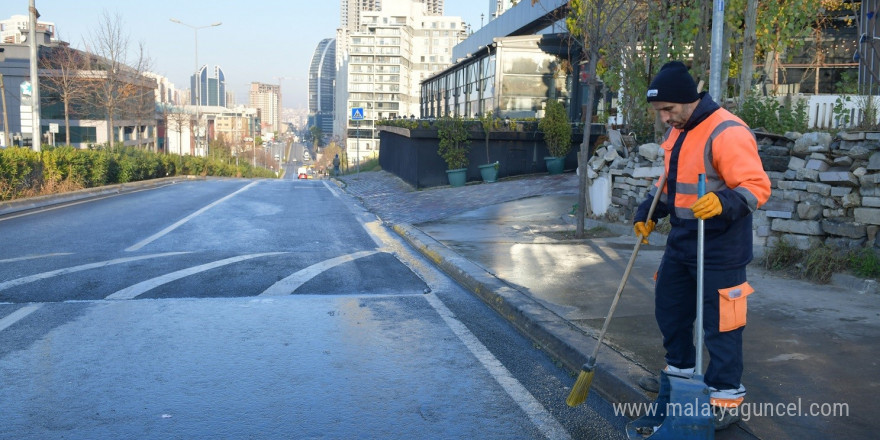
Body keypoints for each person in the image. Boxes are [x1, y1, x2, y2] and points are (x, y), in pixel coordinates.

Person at [632, 61, 771, 430]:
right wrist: (647, 213)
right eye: (659, 111)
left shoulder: (727, 130)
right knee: (671, 312)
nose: (664, 118)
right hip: (682, 243)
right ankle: (677, 381)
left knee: (722, 326)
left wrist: (725, 202)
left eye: (668, 110)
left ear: (687, 100)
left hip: (721, 248)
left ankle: (725, 398)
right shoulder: (680, 131)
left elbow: (756, 186)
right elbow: (669, 182)